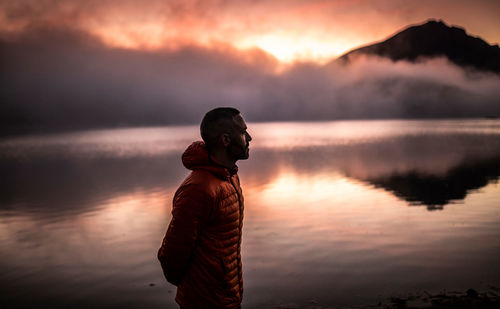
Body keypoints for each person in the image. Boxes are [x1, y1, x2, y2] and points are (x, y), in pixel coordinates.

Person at [158, 107, 252, 309]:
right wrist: (197, 287)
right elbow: (172, 255)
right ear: (226, 140)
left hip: (227, 297)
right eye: (243, 133)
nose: (250, 137)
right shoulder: (199, 189)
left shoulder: (229, 176)